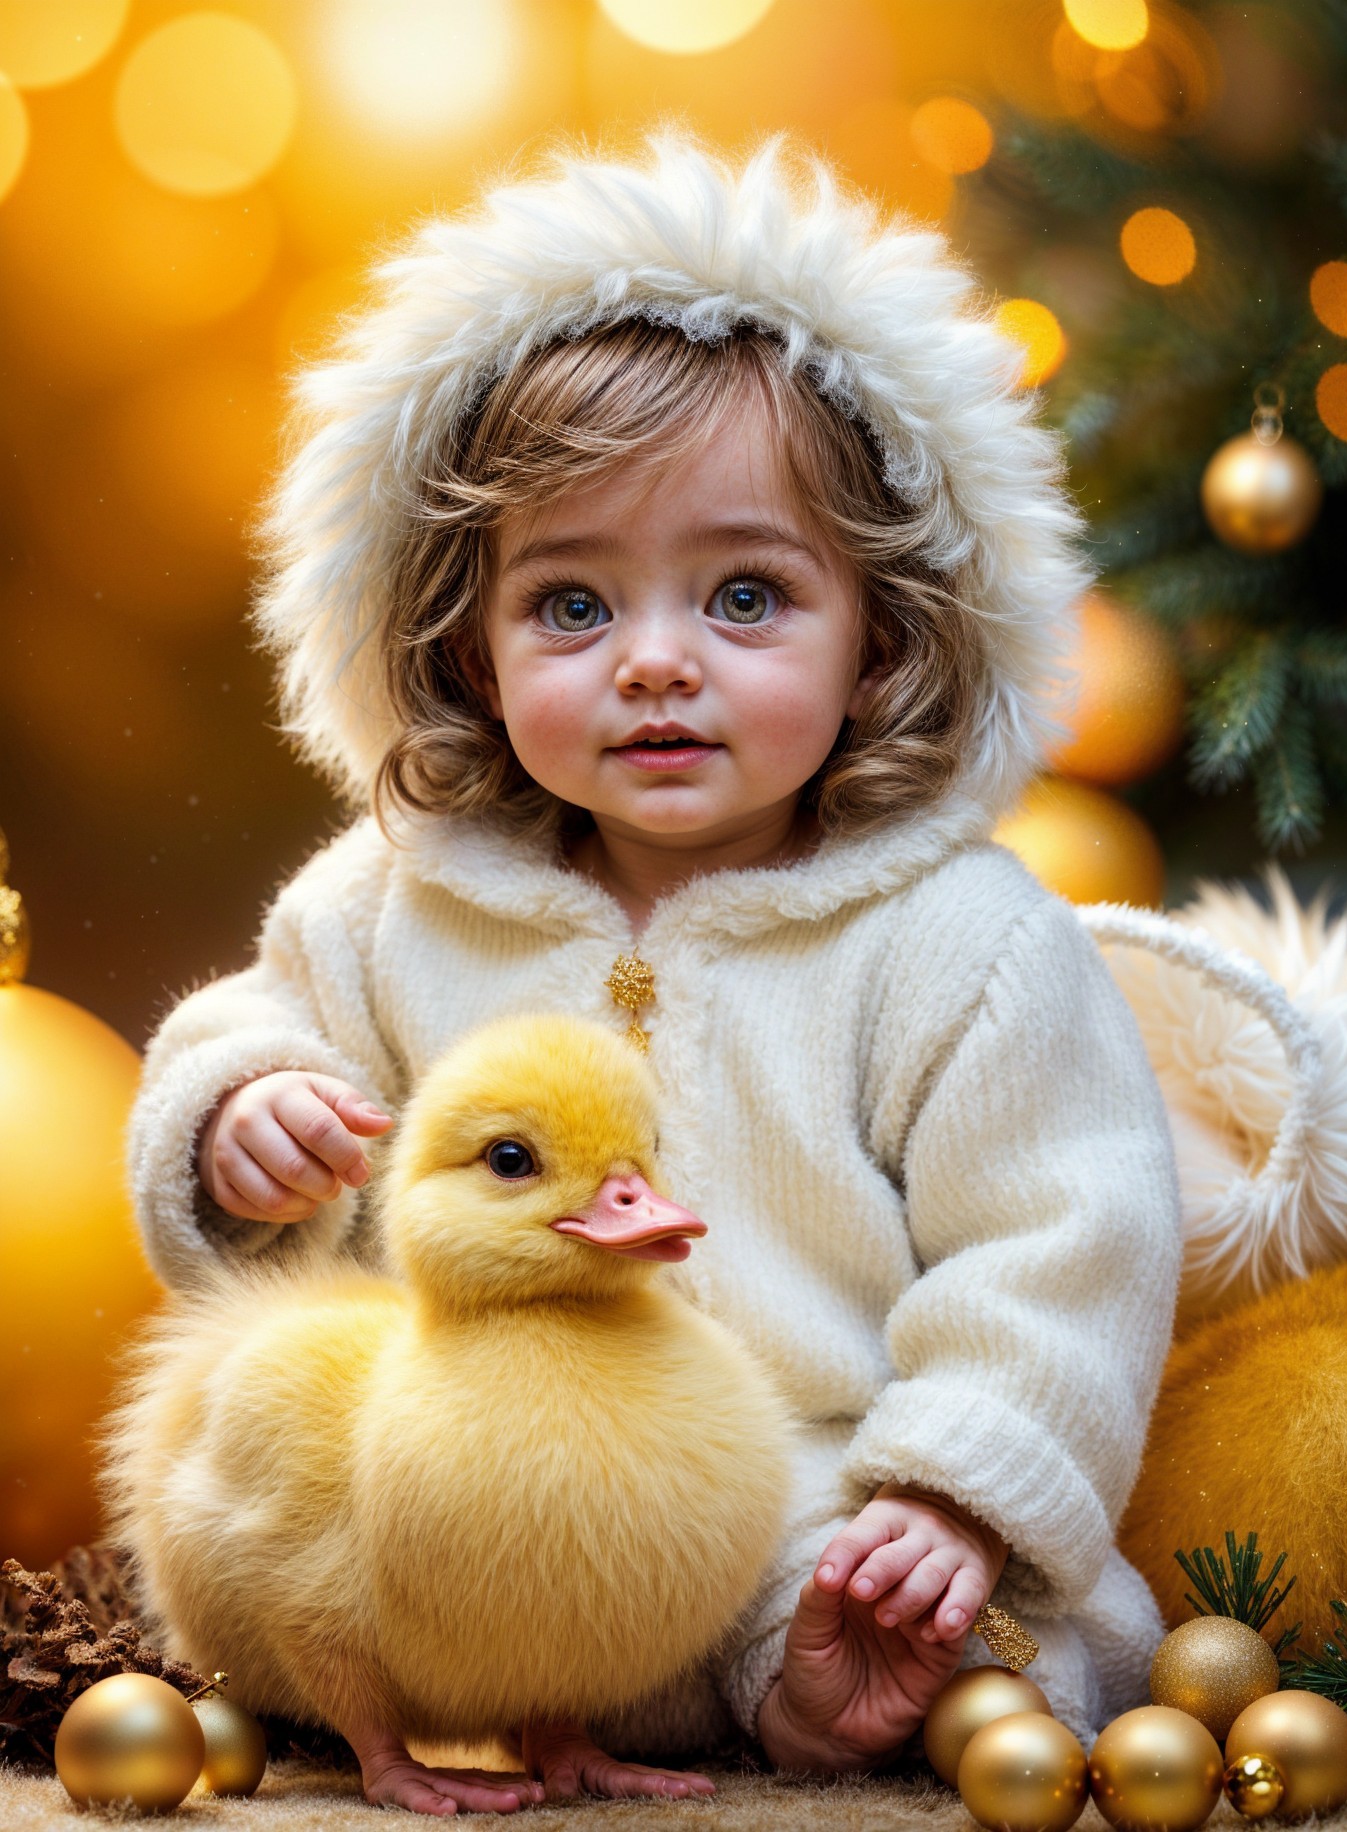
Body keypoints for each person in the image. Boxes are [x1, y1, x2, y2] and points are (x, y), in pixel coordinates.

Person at [125, 133, 1182, 1803]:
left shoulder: (959, 942)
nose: (658, 664)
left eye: (748, 593)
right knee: (337, 1532)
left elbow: (1069, 1234)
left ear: (883, 632)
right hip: (486, 1508)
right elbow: (264, 1029)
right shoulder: (395, 903)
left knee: (930, 1628)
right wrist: (242, 1113)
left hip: (810, 1487)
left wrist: (953, 1489)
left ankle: (829, 1681)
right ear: (465, 646)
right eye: (571, 607)